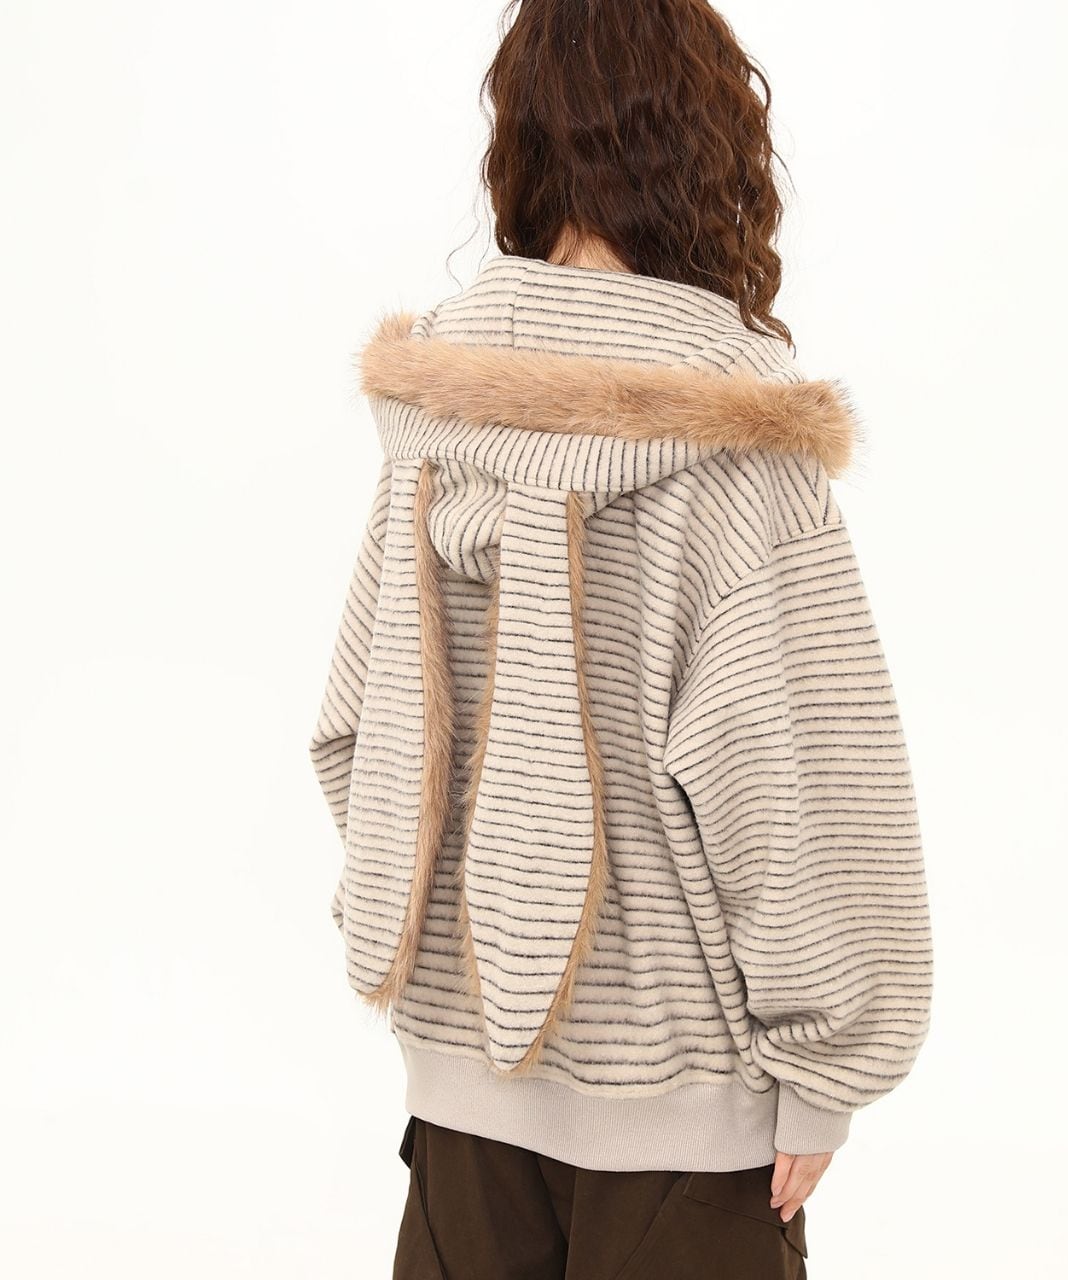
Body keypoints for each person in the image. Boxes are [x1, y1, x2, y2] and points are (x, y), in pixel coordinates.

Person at [309, 2, 932, 1275]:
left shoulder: (430, 420)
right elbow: (802, 790)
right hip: (680, 1122)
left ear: (522, 143)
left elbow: (359, 743)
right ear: (708, 142)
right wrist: (827, 1065)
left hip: (459, 1104)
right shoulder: (738, 446)